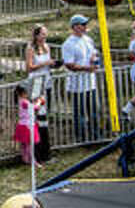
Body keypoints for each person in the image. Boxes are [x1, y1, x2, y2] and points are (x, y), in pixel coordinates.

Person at [61, 13, 99, 143]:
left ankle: (95, 136)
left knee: (94, 110)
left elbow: (93, 52)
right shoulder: (68, 44)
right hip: (77, 85)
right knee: (80, 113)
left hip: (90, 83)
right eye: (83, 24)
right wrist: (86, 69)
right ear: (75, 27)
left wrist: (94, 59)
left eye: (85, 24)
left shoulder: (87, 39)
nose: (85, 26)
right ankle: (81, 137)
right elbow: (69, 64)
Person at [25, 24, 56, 161]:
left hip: (46, 81)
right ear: (37, 35)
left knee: (45, 117)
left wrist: (52, 64)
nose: (45, 36)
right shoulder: (31, 48)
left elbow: (48, 63)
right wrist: (44, 64)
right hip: (36, 83)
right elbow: (29, 67)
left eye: (45, 34)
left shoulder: (47, 47)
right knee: (39, 116)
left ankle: (45, 149)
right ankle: (39, 152)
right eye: (42, 34)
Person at [14, 85, 45, 167]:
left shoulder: (21, 101)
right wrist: (39, 101)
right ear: (23, 93)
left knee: (24, 144)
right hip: (27, 126)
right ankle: (32, 161)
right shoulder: (24, 102)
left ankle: (25, 159)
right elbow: (34, 108)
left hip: (22, 125)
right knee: (30, 145)